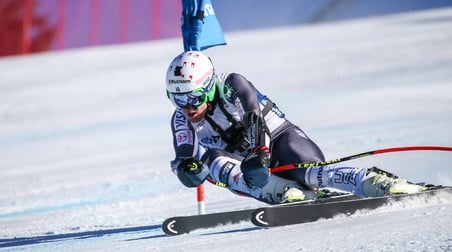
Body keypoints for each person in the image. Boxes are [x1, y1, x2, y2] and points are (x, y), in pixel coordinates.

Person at [166, 51, 426, 205]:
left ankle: (376, 183)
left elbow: (254, 117)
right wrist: (187, 171)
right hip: (245, 165)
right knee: (210, 160)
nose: (187, 107)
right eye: (177, 99)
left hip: (280, 140)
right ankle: (280, 192)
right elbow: (183, 158)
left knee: (310, 174)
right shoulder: (181, 119)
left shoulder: (233, 83)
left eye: (193, 98)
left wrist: (260, 152)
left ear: (210, 86)